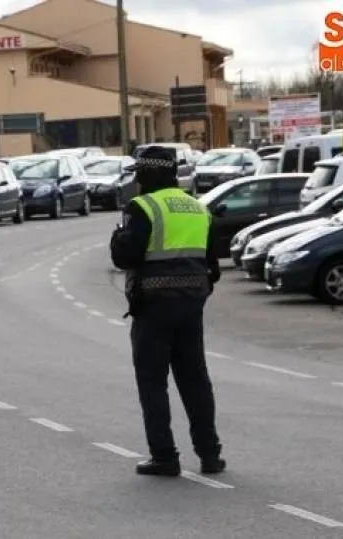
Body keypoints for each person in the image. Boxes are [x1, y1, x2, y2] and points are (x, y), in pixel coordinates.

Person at [109, 145, 226, 477]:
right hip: (192, 307)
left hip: (154, 308)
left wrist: (118, 237)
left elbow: (125, 257)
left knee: (152, 381)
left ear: (145, 174)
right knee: (195, 380)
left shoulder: (143, 207)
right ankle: (210, 455)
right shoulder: (197, 208)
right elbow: (213, 267)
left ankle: (164, 456)